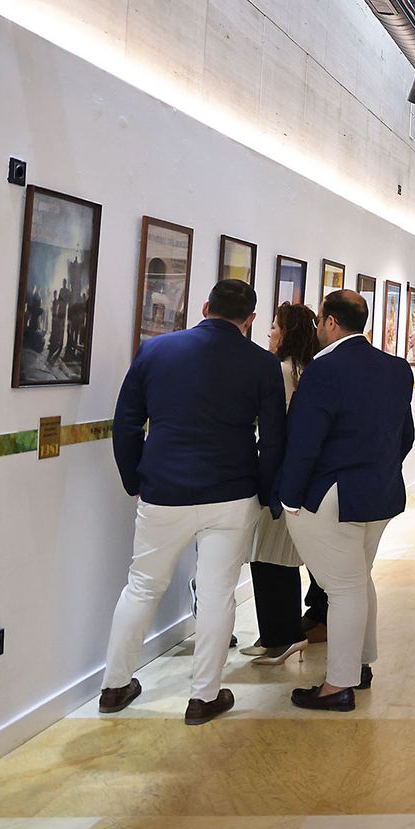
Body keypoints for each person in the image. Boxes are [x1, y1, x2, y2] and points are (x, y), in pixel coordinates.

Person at [100, 279, 285, 726]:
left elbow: (126, 425)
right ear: (251, 320)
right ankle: (203, 697)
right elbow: (275, 440)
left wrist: (135, 480)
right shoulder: (262, 364)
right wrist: (265, 492)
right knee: (219, 592)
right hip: (232, 493)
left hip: (163, 489)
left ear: (205, 307)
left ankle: (113, 686)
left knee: (142, 585)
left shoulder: (156, 351)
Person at [276, 290, 415, 711]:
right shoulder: (396, 368)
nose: (318, 327)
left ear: (331, 322)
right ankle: (359, 665)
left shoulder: (324, 370)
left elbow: (304, 442)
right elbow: (404, 436)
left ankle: (338, 686)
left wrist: (288, 496)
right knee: (358, 579)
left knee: (344, 588)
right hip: (380, 492)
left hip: (332, 495)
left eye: (321, 320)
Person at [242, 302, 318, 668]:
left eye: (274, 326)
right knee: (276, 556)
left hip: (278, 477)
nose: (269, 332)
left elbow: (275, 431)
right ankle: (276, 634)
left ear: (287, 333)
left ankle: (283, 635)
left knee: (270, 556)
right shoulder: (305, 370)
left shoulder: (284, 371)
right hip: (295, 477)